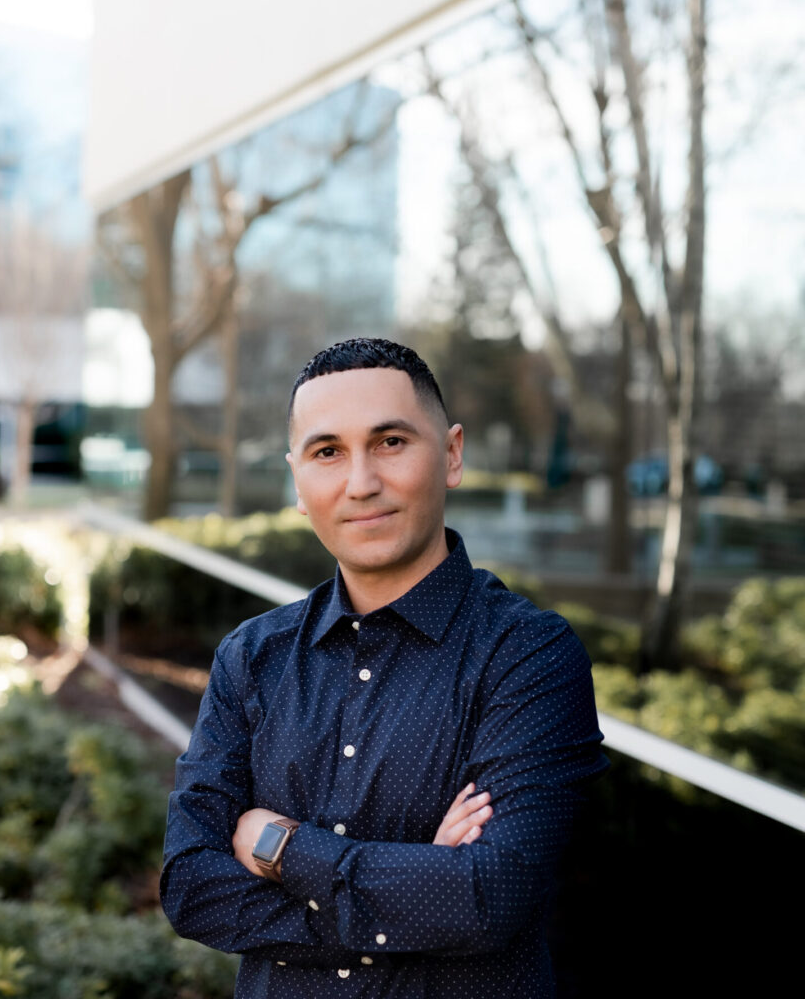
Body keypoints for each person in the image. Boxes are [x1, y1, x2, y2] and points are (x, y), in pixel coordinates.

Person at [161, 337, 608, 997]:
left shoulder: (528, 656)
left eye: (391, 442)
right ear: (297, 478)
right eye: (327, 452)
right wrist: (417, 886)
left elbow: (493, 897)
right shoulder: (251, 659)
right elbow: (192, 887)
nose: (361, 481)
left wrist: (282, 850)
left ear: (451, 454)